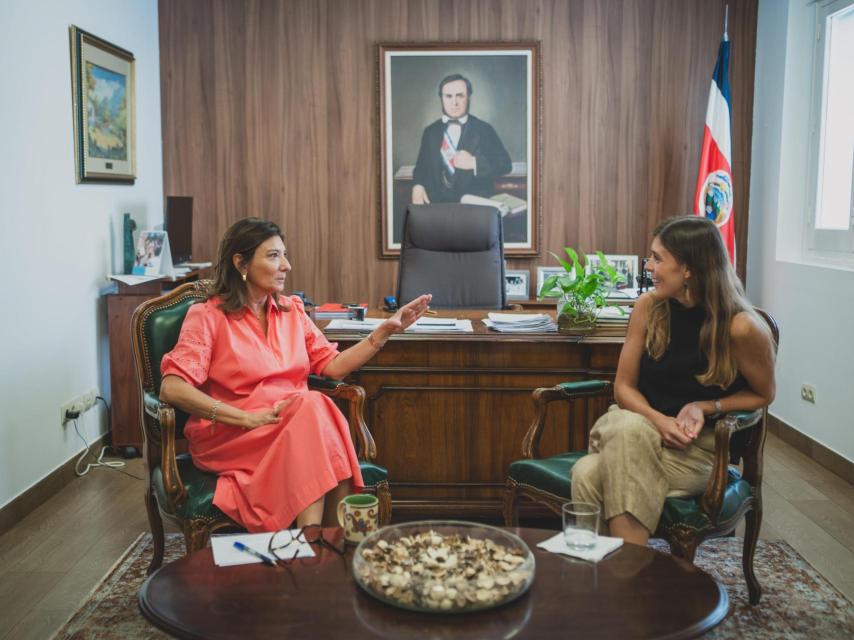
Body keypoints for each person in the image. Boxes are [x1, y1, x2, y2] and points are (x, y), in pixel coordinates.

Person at [159, 218, 432, 533]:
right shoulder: (208, 317)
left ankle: (317, 544)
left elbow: (331, 366)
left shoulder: (291, 311)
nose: (286, 265)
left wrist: (382, 333)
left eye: (284, 255)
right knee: (314, 409)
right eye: (274, 256)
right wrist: (243, 418)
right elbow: (172, 388)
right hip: (235, 434)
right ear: (240, 262)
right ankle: (321, 545)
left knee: (313, 408)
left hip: (294, 428)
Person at [571, 215, 776, 545]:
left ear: (689, 268)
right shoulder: (648, 308)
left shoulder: (742, 327)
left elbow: (763, 394)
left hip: (698, 451)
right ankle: (629, 578)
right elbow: (623, 387)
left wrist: (705, 406)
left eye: (657, 258)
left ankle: (606, 581)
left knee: (587, 472)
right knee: (630, 428)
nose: (649, 266)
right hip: (633, 428)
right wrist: (658, 421)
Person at [411, 73, 512, 205]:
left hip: (474, 209)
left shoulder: (484, 129)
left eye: (460, 95)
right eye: (448, 96)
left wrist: (474, 163)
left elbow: (505, 164)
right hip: (437, 207)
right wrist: (417, 185)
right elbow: (421, 167)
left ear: (468, 97)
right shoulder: (430, 132)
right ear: (441, 98)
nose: (454, 102)